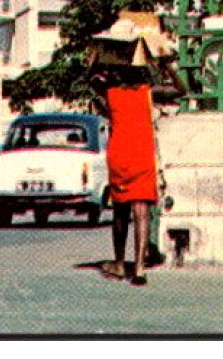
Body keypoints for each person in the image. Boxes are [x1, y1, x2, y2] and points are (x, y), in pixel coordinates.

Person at [93, 62, 162, 286]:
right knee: (141, 210)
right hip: (142, 154)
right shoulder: (147, 93)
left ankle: (120, 263)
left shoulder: (109, 94)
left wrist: (98, 61)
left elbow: (92, 80)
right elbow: (182, 88)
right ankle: (140, 269)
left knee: (120, 211)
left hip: (120, 154)